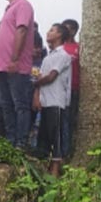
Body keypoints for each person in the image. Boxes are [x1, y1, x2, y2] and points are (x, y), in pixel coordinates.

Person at [0, 0, 36, 149]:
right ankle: (10, 140)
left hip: (16, 67)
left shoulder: (23, 5)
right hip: (2, 67)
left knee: (20, 105)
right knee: (6, 105)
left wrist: (14, 59)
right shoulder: (9, 8)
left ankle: (21, 142)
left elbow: (21, 31)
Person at [32, 24, 72, 177]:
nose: (48, 32)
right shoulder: (47, 57)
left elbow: (50, 77)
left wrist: (36, 83)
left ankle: (55, 171)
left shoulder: (63, 56)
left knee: (56, 136)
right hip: (45, 102)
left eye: (52, 30)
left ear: (60, 35)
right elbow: (41, 77)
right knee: (44, 136)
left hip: (57, 102)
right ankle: (45, 169)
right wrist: (36, 96)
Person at [60, 19, 80, 157]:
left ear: (73, 30)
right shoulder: (59, 47)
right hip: (59, 89)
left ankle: (67, 151)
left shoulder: (79, 47)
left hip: (74, 88)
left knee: (70, 120)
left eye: (67, 28)